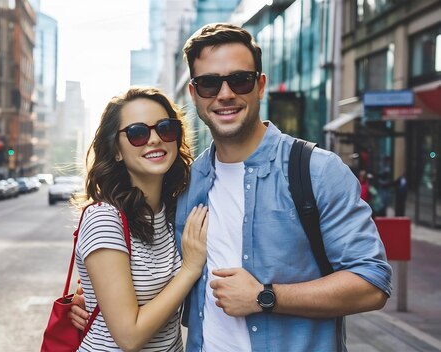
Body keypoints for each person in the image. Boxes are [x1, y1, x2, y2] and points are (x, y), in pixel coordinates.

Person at [174, 23, 392, 351]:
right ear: (194, 94)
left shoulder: (317, 170)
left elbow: (372, 284)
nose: (225, 94)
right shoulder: (185, 183)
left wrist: (266, 297)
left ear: (260, 85)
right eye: (208, 83)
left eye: (240, 79)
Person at [70, 87, 209, 351]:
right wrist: (189, 269)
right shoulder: (104, 219)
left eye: (165, 128)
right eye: (137, 133)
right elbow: (129, 337)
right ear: (116, 151)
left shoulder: (176, 209)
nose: (155, 139)